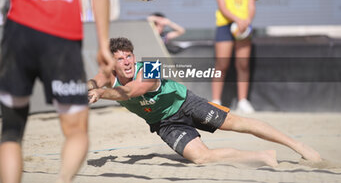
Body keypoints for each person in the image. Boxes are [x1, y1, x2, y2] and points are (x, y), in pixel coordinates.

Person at [88, 37, 322, 167]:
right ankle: (262, 156)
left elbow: (129, 92)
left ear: (134, 57)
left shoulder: (151, 68)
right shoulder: (109, 75)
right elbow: (96, 80)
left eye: (129, 55)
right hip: (165, 123)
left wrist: (101, 94)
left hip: (187, 103)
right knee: (201, 158)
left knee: (239, 123)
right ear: (113, 63)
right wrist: (90, 89)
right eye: (120, 58)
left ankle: (301, 147)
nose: (126, 61)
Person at [0, 0, 115, 183]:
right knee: (76, 131)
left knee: (11, 131)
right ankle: (63, 180)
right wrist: (104, 44)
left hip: (17, 33)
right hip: (61, 36)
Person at [211, 0, 257, 113]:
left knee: (243, 64)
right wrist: (238, 20)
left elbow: (251, 6)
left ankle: (243, 100)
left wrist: (246, 21)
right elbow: (222, 7)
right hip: (226, 25)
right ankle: (216, 100)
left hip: (244, 27)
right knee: (221, 64)